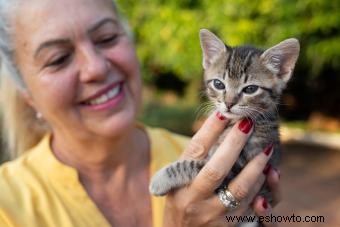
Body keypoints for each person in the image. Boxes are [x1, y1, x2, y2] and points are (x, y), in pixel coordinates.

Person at [0, 0, 281, 226]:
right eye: (58, 59)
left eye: (107, 38)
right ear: (27, 96)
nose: (95, 68)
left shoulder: (201, 155)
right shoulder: (7, 204)